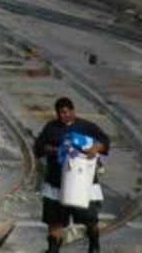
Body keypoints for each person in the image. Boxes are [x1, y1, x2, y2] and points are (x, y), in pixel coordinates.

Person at [33, 98, 109, 253]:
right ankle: (53, 248)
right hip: (56, 182)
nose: (63, 116)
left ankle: (94, 244)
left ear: (73, 111)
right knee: (54, 221)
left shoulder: (87, 127)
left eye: (66, 112)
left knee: (89, 219)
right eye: (60, 113)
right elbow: (39, 147)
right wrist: (56, 150)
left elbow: (105, 142)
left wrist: (95, 149)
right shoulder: (51, 128)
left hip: (82, 182)